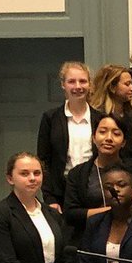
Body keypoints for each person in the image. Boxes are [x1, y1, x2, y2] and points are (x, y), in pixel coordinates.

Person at [63, 114, 132, 235]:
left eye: (116, 134)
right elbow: (71, 214)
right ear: (93, 138)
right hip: (90, 235)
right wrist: (110, 212)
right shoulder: (77, 173)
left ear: (123, 142)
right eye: (102, 132)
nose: (109, 138)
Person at [38, 62, 103, 211]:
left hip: (95, 191)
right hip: (61, 194)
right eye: (71, 81)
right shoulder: (50, 118)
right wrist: (49, 198)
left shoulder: (100, 119)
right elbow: (43, 161)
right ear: (63, 85)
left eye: (83, 81)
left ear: (90, 84)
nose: (78, 86)